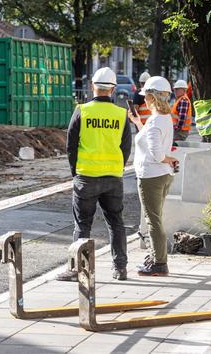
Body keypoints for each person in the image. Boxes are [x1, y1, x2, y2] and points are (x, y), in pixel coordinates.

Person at [57, 67, 132, 282]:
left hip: (86, 176)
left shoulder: (83, 110)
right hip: (112, 177)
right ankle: (120, 269)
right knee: (116, 223)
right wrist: (117, 167)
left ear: (93, 87)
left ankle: (77, 269)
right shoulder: (120, 114)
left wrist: (75, 171)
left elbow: (71, 145)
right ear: (113, 89)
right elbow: (126, 147)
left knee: (82, 226)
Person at [128, 76, 179, 276]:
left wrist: (170, 159)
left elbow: (157, 154)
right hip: (162, 175)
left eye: (146, 97)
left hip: (151, 176)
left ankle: (159, 263)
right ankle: (156, 257)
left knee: (153, 220)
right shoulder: (163, 118)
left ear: (151, 97)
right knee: (155, 218)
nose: (144, 101)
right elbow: (152, 141)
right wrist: (139, 123)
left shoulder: (156, 120)